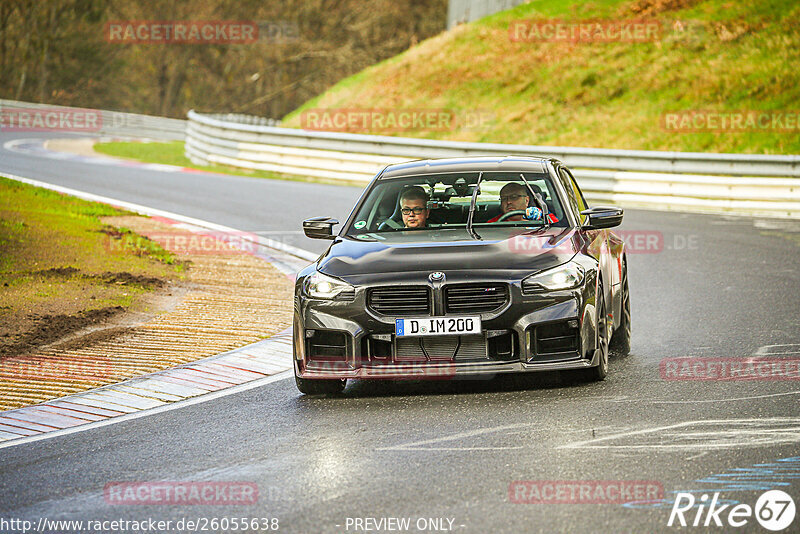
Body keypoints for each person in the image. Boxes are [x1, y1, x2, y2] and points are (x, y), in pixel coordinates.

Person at [487, 182, 558, 223]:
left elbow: (557, 228)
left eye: (514, 197)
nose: (508, 202)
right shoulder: (493, 223)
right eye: (504, 198)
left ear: (527, 200)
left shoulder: (542, 217)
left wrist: (543, 216)